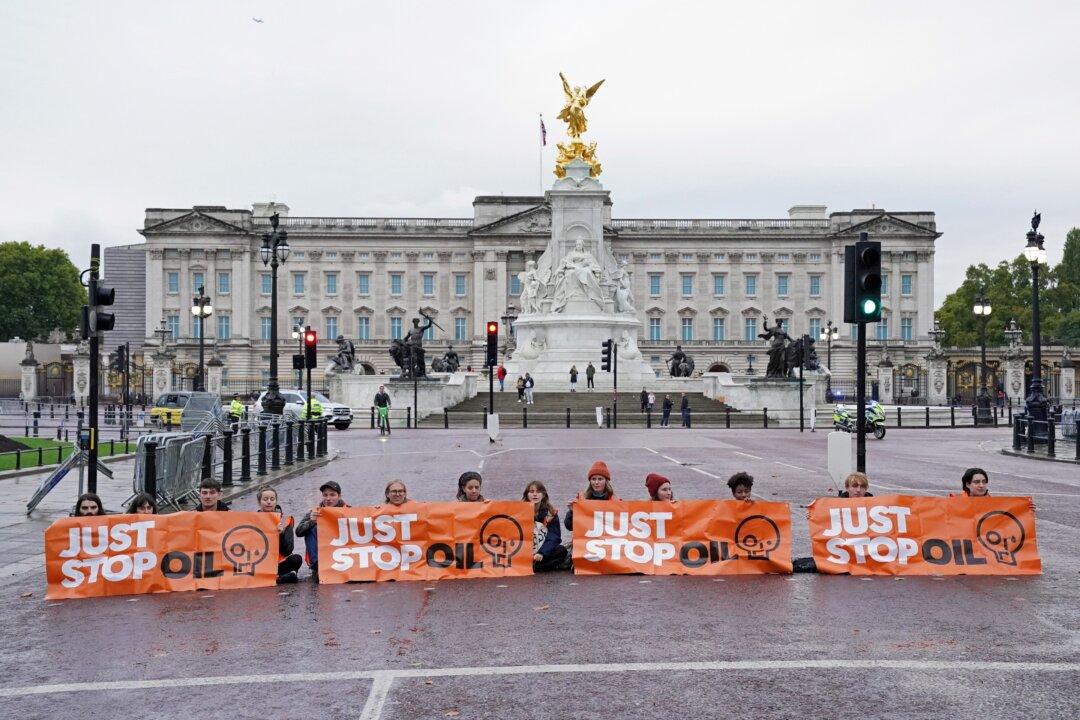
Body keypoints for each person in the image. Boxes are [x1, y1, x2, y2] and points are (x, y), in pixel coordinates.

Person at [295, 481, 347, 582]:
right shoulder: (315, 512)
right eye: (325, 495)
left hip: (341, 548)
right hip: (322, 551)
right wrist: (312, 521)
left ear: (339, 496)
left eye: (332, 495)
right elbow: (298, 532)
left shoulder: (348, 510)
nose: (328, 498)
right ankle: (317, 565)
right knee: (311, 529)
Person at [256, 486, 302, 584]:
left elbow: (288, 550)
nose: (269, 502)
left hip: (278, 562)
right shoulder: (251, 520)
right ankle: (284, 577)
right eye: (265, 499)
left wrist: (280, 535)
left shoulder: (285, 520)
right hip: (259, 561)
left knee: (296, 559)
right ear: (259, 502)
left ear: (276, 501)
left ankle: (280, 576)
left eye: (272, 499)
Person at [524, 481, 569, 572]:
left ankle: (534, 567)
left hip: (541, 549)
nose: (535, 494)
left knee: (561, 551)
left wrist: (542, 553)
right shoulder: (519, 510)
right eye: (532, 492)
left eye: (538, 492)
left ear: (543, 495)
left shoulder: (551, 513)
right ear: (527, 495)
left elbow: (554, 537)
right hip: (524, 548)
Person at [564, 460, 617, 531]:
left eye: (600, 479)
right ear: (590, 481)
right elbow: (569, 527)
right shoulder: (581, 500)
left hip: (606, 539)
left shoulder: (616, 501)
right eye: (593, 479)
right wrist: (572, 512)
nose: (596, 482)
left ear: (606, 481)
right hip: (585, 540)